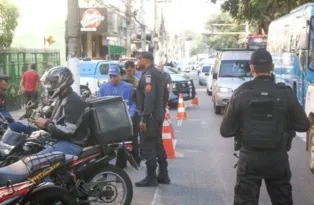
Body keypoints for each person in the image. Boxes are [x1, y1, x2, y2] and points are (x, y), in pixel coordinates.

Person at [220, 48, 310, 205]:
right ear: (272, 67)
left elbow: (225, 130)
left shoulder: (241, 93)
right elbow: (303, 125)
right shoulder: (285, 93)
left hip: (249, 160)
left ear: (251, 68)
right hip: (278, 159)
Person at [135, 52, 170, 187]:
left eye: (139, 60)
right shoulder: (159, 73)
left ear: (146, 60)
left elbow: (149, 97)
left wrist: (145, 118)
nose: (137, 62)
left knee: (148, 145)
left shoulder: (149, 75)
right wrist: (161, 108)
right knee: (158, 144)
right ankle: (163, 174)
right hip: (158, 114)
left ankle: (151, 177)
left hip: (150, 116)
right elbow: (166, 94)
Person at [34, 66, 87, 156]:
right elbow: (56, 121)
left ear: (61, 82)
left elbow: (68, 131)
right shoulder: (62, 98)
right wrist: (43, 123)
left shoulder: (73, 101)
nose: (50, 86)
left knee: (35, 160)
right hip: (61, 140)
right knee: (30, 146)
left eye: (52, 83)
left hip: (73, 143)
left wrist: (46, 125)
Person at [97, 65, 138, 168]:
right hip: (108, 121)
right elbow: (98, 105)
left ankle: (121, 164)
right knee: (105, 144)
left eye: (114, 76)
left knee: (123, 144)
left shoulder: (128, 87)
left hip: (123, 119)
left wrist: (131, 116)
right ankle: (104, 165)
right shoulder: (103, 87)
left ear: (119, 76)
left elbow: (133, 104)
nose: (112, 79)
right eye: (110, 76)